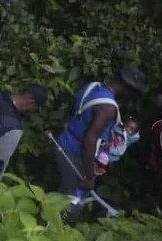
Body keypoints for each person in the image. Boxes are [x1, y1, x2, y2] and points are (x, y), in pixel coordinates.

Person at [55, 64, 148, 195]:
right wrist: (89, 177)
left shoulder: (92, 87)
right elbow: (89, 141)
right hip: (76, 154)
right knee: (69, 202)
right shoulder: (108, 108)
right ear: (127, 87)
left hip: (63, 141)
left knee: (61, 193)